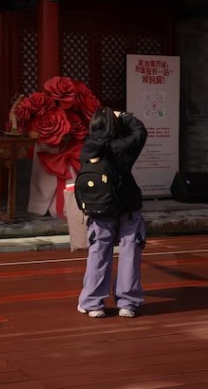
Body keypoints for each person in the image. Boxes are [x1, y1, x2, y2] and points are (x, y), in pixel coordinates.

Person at [76, 107, 148, 319]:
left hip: (100, 207)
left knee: (98, 252)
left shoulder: (88, 148)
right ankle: (128, 302)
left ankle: (92, 303)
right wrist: (124, 117)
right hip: (127, 205)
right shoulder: (123, 147)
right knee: (130, 252)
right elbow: (140, 132)